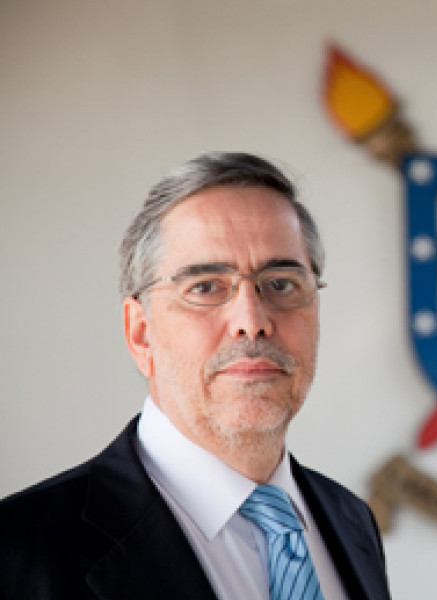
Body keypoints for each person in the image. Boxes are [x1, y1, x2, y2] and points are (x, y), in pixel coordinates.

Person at [0, 152, 392, 600]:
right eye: (204, 287)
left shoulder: (351, 520)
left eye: (282, 283)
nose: (252, 321)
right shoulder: (18, 551)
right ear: (140, 333)